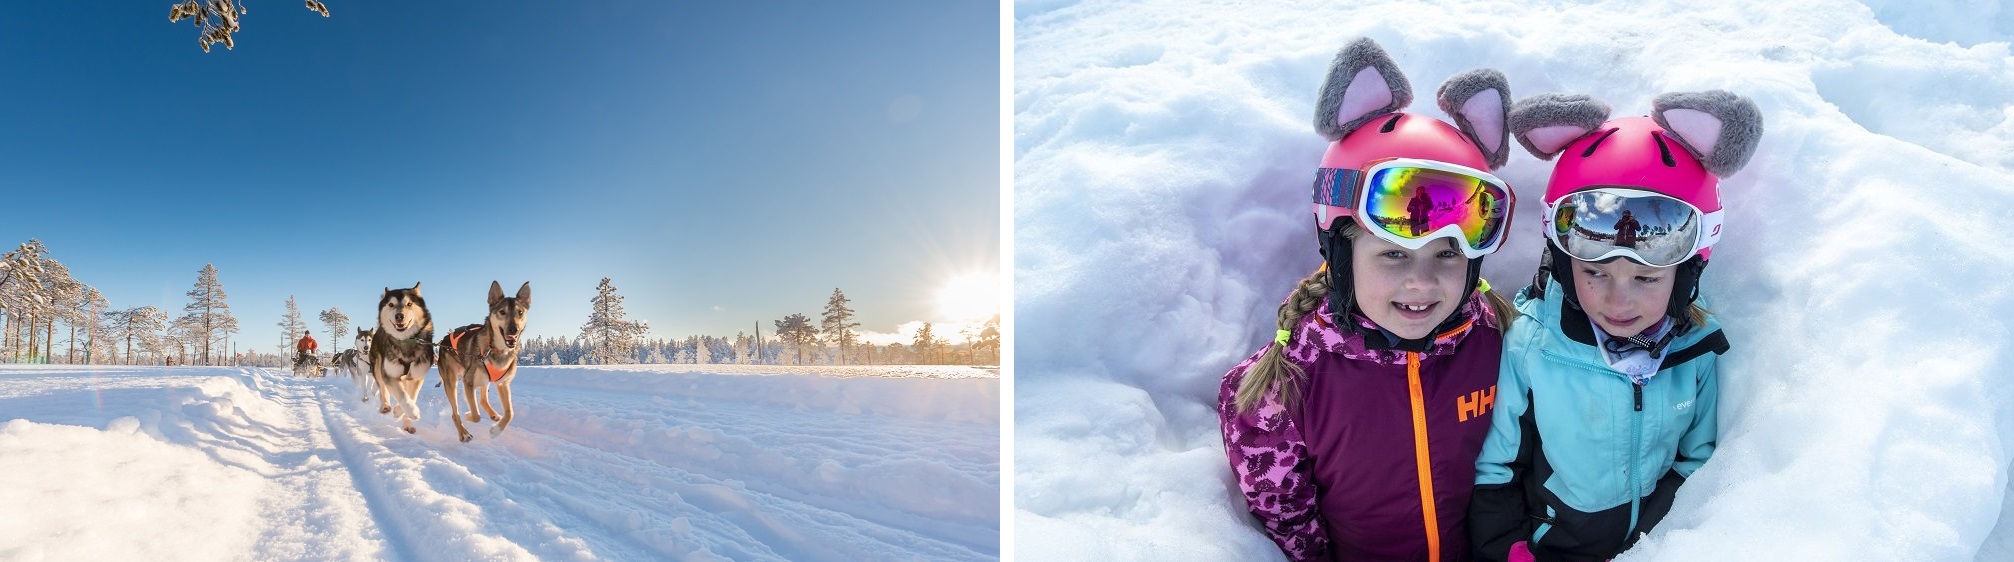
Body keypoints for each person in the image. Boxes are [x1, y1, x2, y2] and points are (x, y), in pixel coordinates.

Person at [1218, 37, 1519, 561]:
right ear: (1339, 253)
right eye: (1395, 256)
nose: (1422, 283)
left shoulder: (1497, 338)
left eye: (1446, 255)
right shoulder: (1287, 387)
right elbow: (1289, 521)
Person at [1469, 91, 1763, 561]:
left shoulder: (1695, 350)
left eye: (1646, 278)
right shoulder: (1532, 346)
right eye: (1594, 273)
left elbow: (1697, 461)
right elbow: (1495, 467)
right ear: (1564, 266)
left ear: (1686, 272)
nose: (1617, 299)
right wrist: (1507, 549)